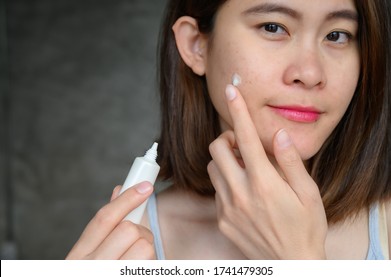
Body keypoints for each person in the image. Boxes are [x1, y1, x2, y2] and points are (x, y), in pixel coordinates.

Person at [66, 0, 391, 260]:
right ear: (196, 45)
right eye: (273, 27)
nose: (309, 73)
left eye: (337, 35)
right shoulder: (130, 244)